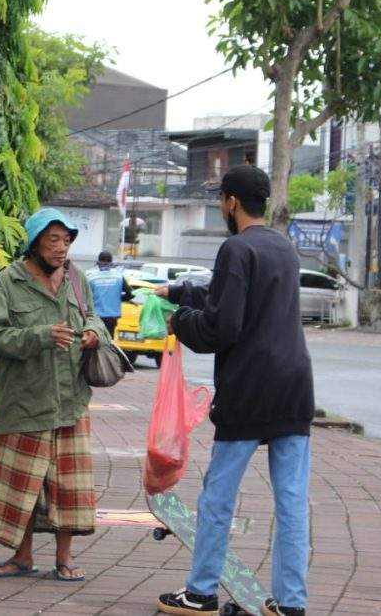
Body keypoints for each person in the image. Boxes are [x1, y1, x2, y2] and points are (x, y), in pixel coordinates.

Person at [154, 166, 314, 616]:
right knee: (292, 501)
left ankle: (201, 592)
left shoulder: (236, 248)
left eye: (220, 200)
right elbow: (233, 298)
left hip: (249, 388)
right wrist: (182, 291)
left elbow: (222, 326)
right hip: (295, 386)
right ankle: (289, 604)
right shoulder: (284, 248)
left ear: (230, 202)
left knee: (218, 495)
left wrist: (179, 321)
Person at [0, 208, 110, 582]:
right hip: (25, 400)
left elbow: (95, 317)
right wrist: (42, 336)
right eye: (53, 240)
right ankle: (22, 557)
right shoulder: (8, 282)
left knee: (68, 486)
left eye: (66, 241)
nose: (61, 248)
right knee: (23, 488)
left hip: (71, 401)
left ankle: (64, 559)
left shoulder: (77, 278)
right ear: (33, 243)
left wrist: (95, 333)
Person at [86, 250, 134, 338]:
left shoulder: (90, 278)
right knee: (109, 342)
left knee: (95, 341)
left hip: (95, 317)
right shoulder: (119, 277)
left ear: (97, 263)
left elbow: (85, 297)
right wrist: (118, 298)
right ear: (111, 263)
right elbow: (131, 294)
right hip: (112, 317)